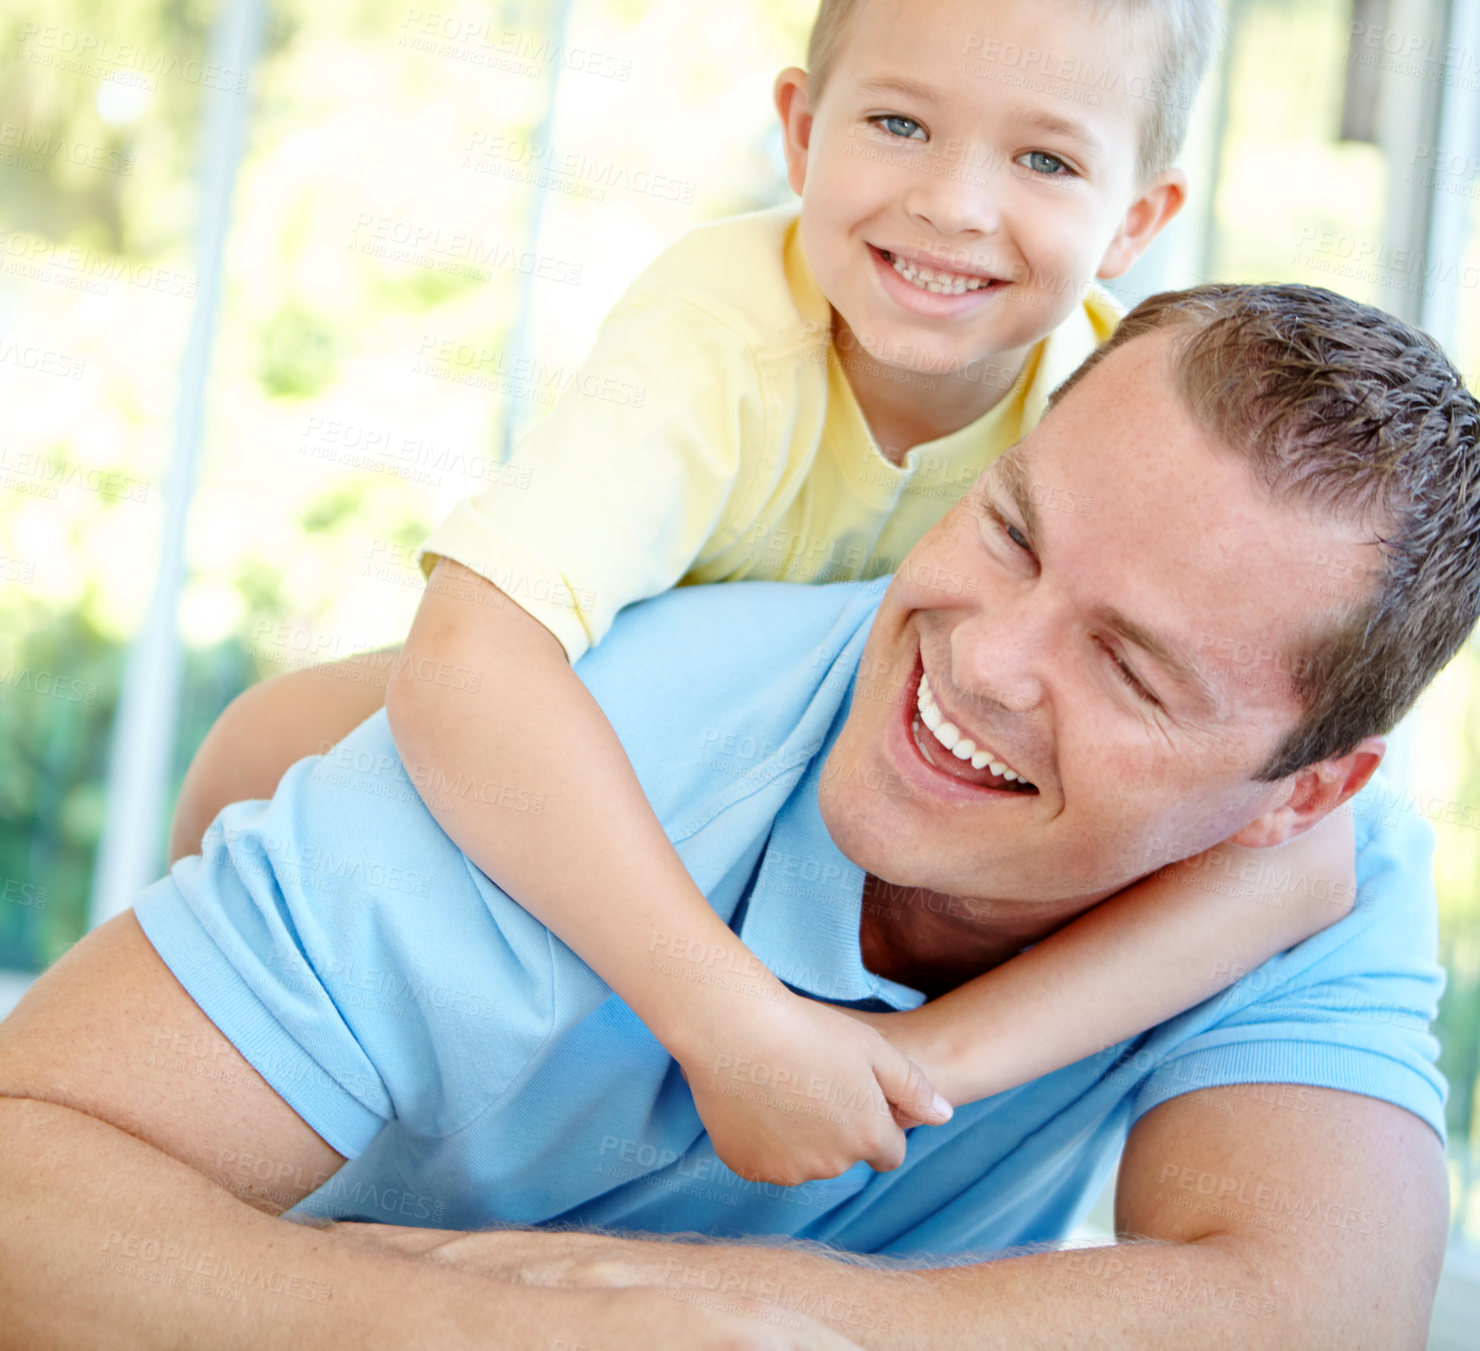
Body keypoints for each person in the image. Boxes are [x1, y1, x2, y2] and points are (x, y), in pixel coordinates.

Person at [2, 282, 1475, 1349]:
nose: (990, 655)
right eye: (1011, 531)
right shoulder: (594, 760)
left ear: (1307, 786)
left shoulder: (1314, 863)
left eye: (1129, 665)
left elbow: (1315, 1305)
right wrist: (519, 1328)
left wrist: (753, 1326)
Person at [164, 0, 1348, 1184]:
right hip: (537, 738)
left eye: (1044, 158)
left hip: (766, 806)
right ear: (800, 130)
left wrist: (916, 1058)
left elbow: (1306, 860)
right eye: (898, 122)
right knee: (277, 782)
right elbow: (469, 660)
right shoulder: (716, 337)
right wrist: (731, 1022)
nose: (953, 203)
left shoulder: (1110, 408)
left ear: (1136, 219)